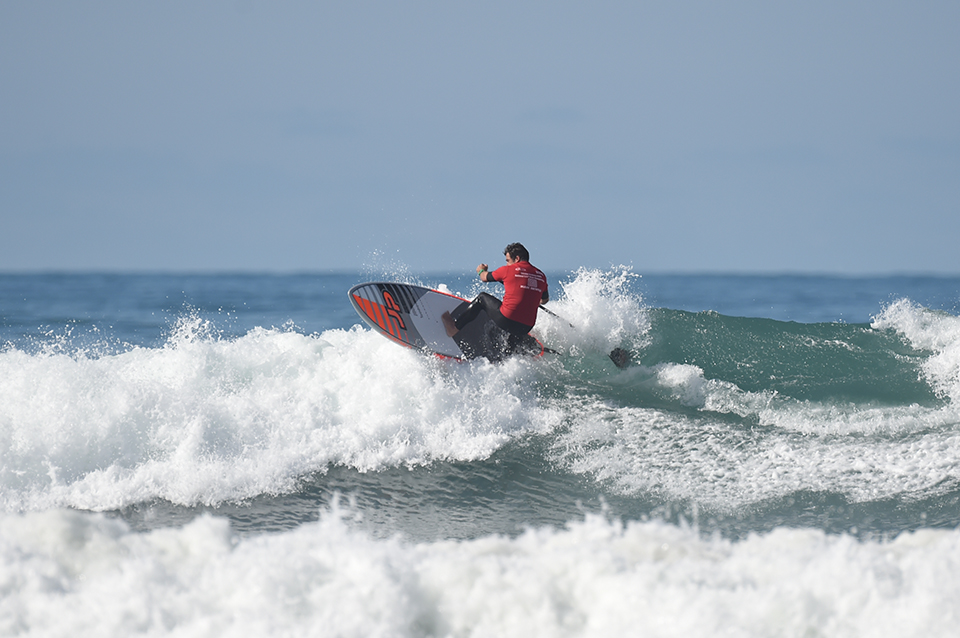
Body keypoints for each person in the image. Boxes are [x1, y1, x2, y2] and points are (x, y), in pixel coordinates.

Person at [442, 243, 548, 358]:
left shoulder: (508, 270)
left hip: (506, 320)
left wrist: (481, 270)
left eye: (508, 260)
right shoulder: (541, 276)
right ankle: (508, 355)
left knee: (482, 298)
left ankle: (453, 328)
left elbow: (484, 277)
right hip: (526, 327)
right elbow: (544, 300)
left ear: (516, 258)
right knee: (514, 326)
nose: (507, 263)